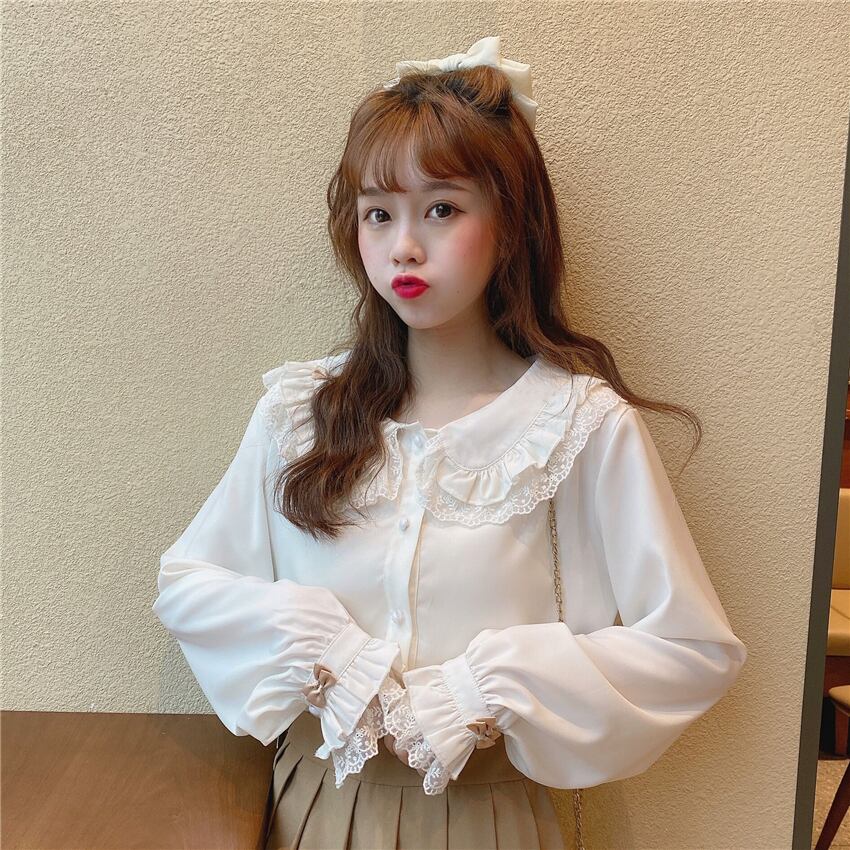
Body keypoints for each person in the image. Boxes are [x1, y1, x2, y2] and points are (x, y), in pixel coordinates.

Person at [151, 35, 748, 850]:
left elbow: (691, 648)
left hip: (491, 818)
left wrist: (491, 687)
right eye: (378, 213)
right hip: (314, 807)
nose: (404, 244)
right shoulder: (302, 413)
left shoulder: (578, 427)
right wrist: (322, 647)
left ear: (510, 224)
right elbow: (189, 583)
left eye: (442, 209)